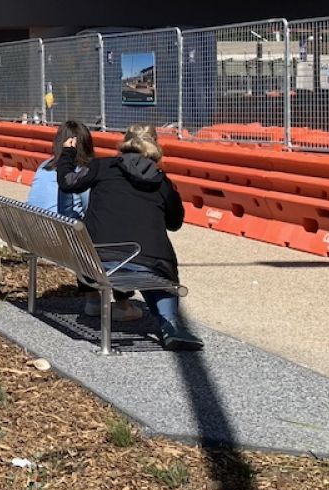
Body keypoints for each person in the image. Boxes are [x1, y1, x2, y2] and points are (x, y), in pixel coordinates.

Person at [56, 122, 202, 351]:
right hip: (149, 260)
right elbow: (175, 223)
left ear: (124, 143)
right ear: (155, 145)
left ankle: (169, 324)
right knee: (156, 268)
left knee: (142, 265)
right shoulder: (162, 181)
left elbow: (67, 183)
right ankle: (170, 324)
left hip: (98, 258)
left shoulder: (101, 166)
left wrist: (68, 153)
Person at [28, 121, 144, 324]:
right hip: (62, 239)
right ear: (88, 144)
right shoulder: (84, 170)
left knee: (80, 232)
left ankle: (92, 299)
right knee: (109, 234)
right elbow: (93, 209)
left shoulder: (44, 166)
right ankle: (123, 303)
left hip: (37, 237)